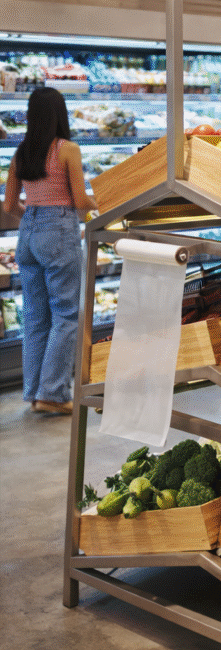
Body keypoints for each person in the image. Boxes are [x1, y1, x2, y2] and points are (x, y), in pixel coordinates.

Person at [3, 87, 97, 415]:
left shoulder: (21, 152)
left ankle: (34, 393)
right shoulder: (67, 149)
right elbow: (82, 202)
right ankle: (54, 394)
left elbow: (9, 205)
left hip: (27, 234)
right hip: (58, 231)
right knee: (67, 313)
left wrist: (34, 215)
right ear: (60, 113)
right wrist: (111, 202)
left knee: (35, 316)